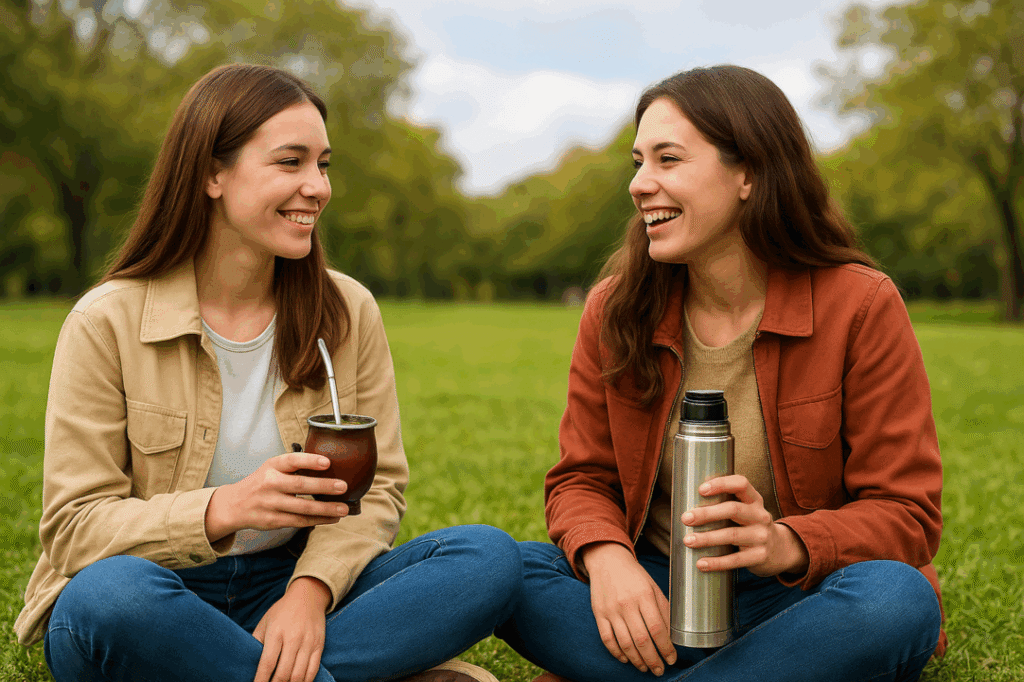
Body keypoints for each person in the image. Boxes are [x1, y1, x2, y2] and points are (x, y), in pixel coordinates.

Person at [14, 63, 520, 682]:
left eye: (323, 164)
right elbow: (74, 528)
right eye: (290, 162)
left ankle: (243, 665)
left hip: (282, 586)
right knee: (110, 598)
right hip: (152, 593)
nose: (318, 187)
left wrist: (308, 593)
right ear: (211, 173)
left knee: (486, 558)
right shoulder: (106, 321)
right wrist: (227, 507)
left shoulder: (347, 310)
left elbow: (378, 489)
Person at [494, 65, 944, 682]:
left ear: (749, 175)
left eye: (668, 159)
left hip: (799, 598)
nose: (640, 184)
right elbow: (581, 478)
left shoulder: (860, 305)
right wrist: (607, 561)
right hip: (656, 591)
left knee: (897, 599)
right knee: (502, 570)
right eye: (638, 161)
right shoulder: (615, 307)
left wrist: (783, 542)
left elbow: (906, 512)